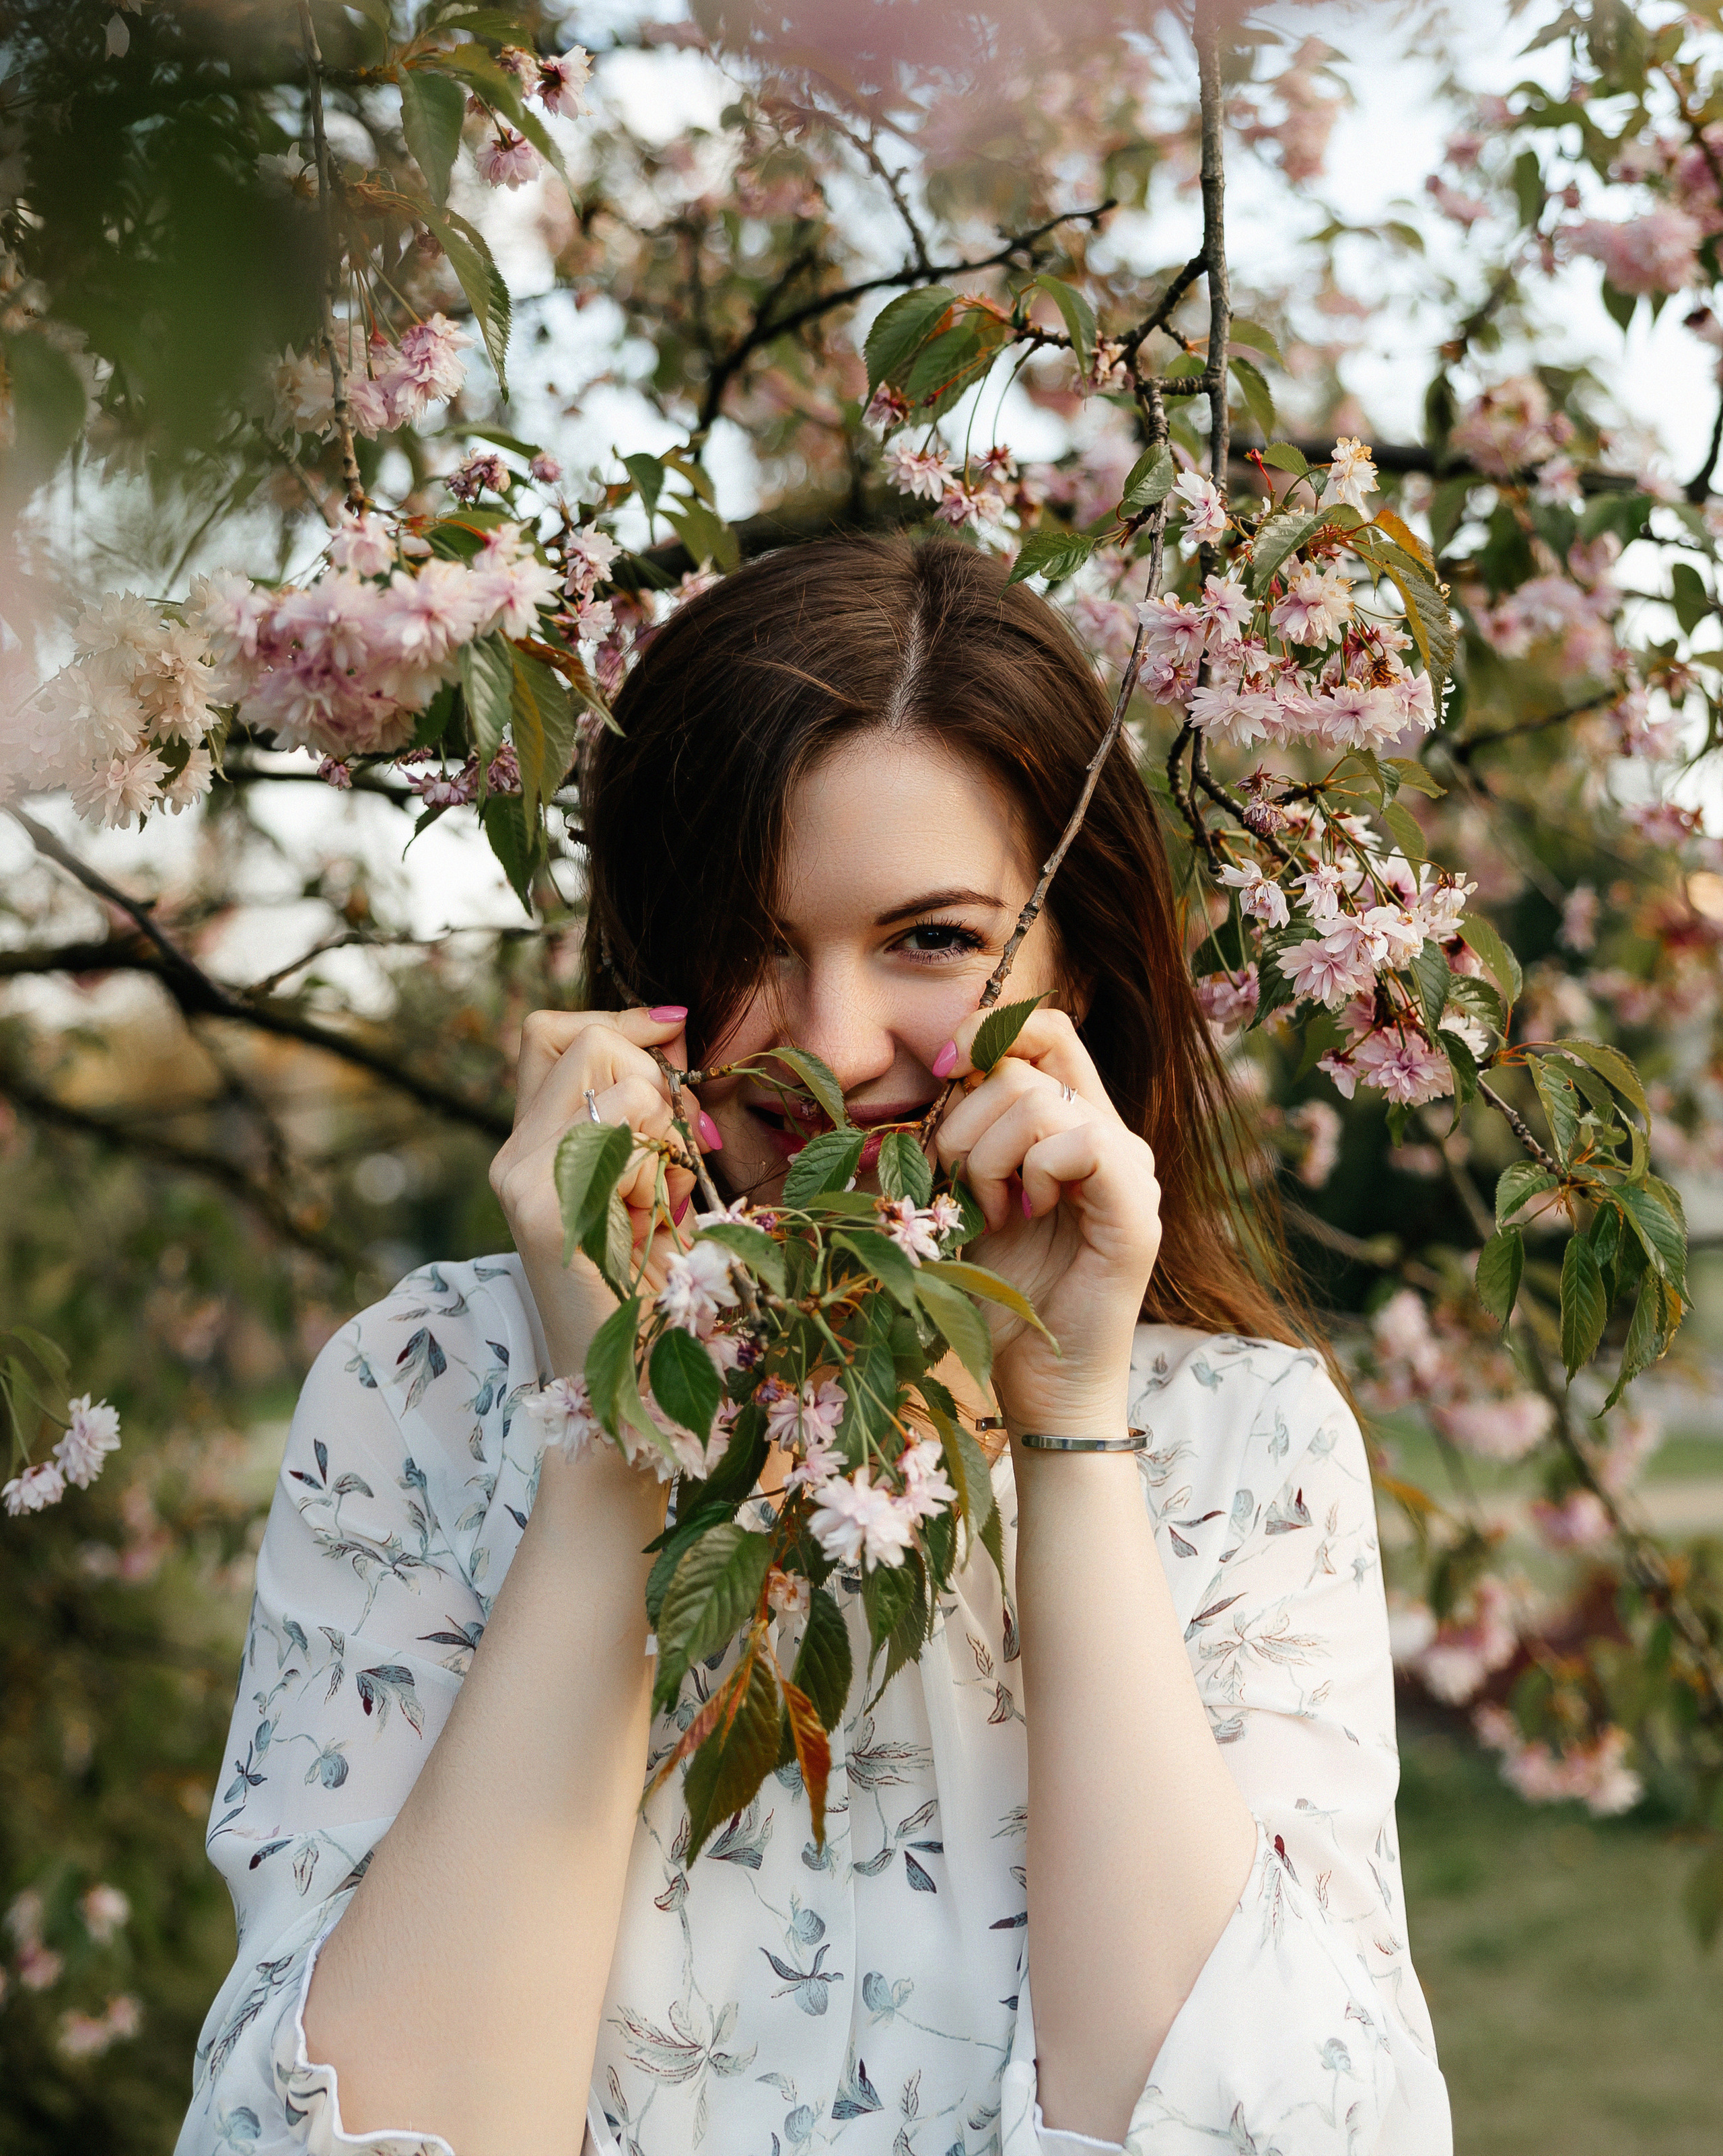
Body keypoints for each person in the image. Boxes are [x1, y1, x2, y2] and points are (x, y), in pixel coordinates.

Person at [178, 536, 1452, 2156]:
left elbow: (1268, 2133)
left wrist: (1066, 1427)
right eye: (750, 942)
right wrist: (611, 1439)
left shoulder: (1238, 1444)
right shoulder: (426, 1394)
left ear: (1075, 963)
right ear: (649, 972)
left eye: (927, 939)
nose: (835, 1048)